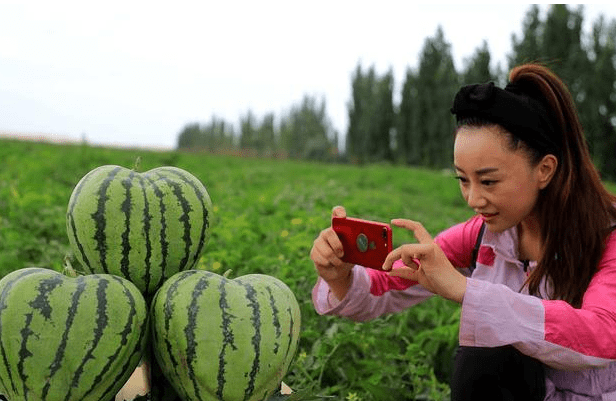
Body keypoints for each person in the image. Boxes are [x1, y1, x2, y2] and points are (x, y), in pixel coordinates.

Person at [310, 63, 616, 400]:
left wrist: (467, 291)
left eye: (488, 181)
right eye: (462, 180)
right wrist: (340, 275)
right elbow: (386, 284)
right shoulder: (480, 237)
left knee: (488, 353)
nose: (473, 198)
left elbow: (602, 336)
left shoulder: (608, 238)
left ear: (544, 169)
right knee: (485, 357)